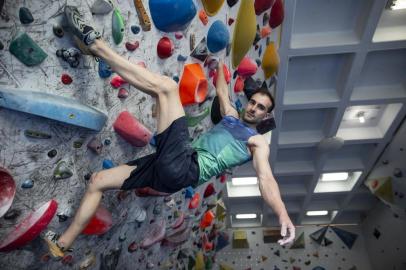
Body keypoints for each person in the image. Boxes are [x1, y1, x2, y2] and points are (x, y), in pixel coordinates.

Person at [43, 6, 295, 258]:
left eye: (261, 107)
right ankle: (62, 244)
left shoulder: (257, 141)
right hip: (169, 173)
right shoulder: (231, 117)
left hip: (185, 167)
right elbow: (222, 91)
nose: (253, 107)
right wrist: (220, 66)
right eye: (253, 102)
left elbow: (266, 179)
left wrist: (282, 213)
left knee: (166, 87)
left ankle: (96, 46)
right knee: (99, 181)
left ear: (265, 115)